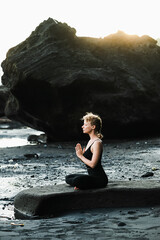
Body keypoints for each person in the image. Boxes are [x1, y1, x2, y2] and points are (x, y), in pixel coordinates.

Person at [65, 112, 108, 190]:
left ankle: (83, 184)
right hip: (92, 177)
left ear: (93, 127)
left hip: (99, 179)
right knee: (68, 177)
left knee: (76, 180)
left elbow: (92, 165)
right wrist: (82, 155)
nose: (82, 126)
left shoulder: (97, 143)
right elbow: (88, 163)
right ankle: (83, 183)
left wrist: (81, 156)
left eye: (85, 125)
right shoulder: (90, 141)